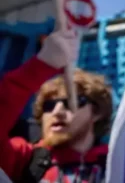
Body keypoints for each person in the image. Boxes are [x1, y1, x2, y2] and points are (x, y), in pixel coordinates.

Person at [0, 30, 113, 183]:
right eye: (49, 106)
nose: (57, 112)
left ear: (97, 112)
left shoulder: (121, 163)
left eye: (71, 102)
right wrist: (43, 64)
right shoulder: (23, 160)